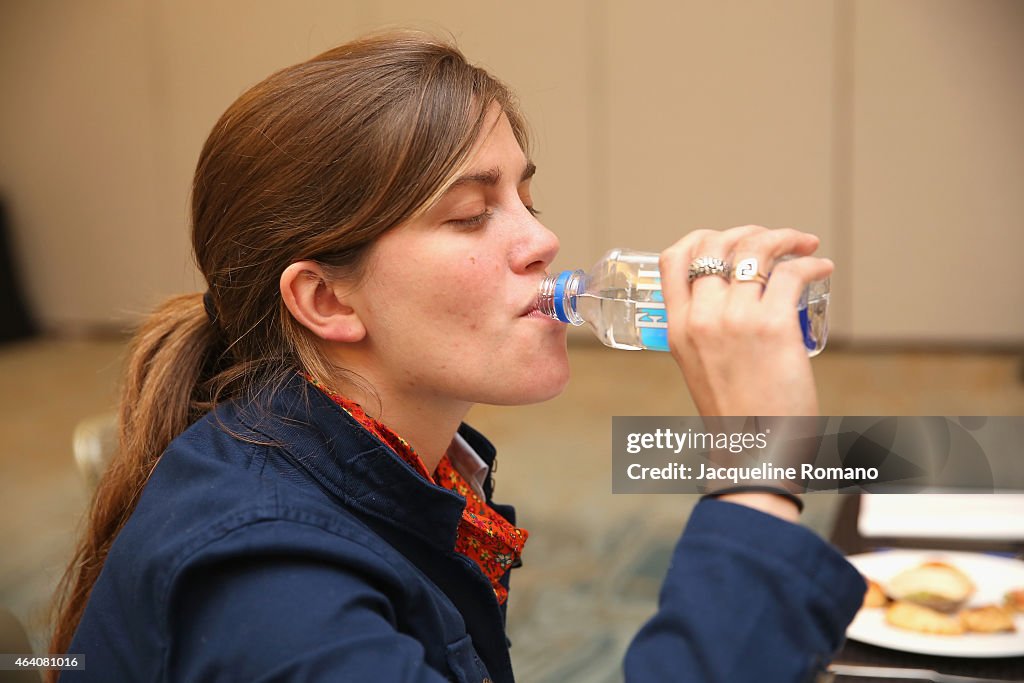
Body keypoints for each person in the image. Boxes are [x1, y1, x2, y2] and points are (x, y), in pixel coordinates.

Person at [49, 31, 865, 682]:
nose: (543, 240)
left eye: (527, 199)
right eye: (473, 215)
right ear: (328, 301)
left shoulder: (398, 462)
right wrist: (759, 468)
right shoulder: (270, 589)